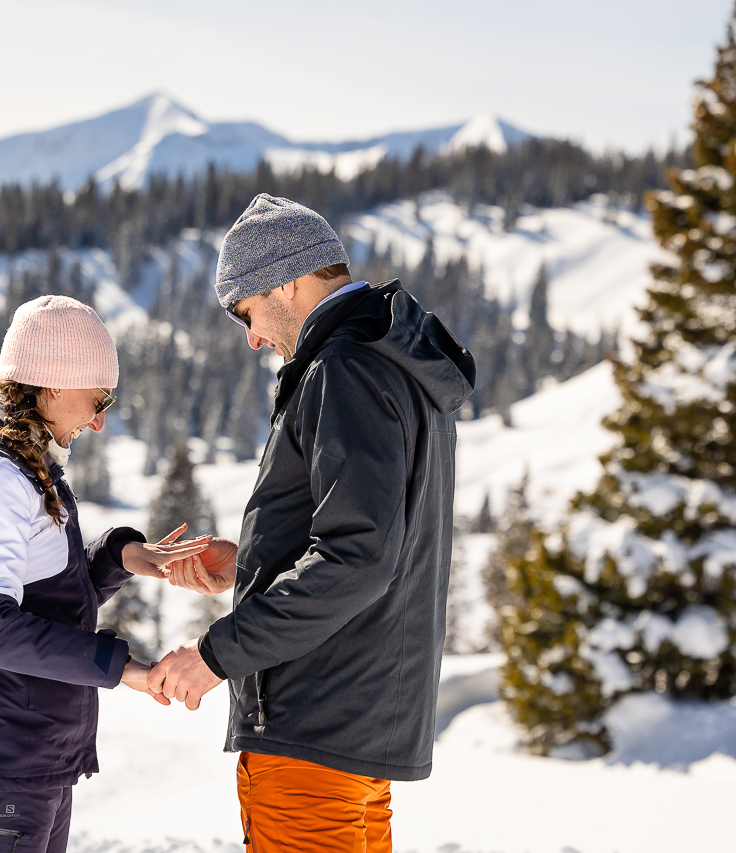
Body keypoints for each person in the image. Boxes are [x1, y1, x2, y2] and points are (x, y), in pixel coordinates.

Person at [148, 194, 476, 852]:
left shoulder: (344, 369)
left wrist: (216, 655)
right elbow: (384, 539)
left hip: (312, 725)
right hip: (359, 723)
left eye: (248, 311)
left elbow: (358, 556)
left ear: (288, 282)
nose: (252, 337)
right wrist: (253, 564)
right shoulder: (395, 363)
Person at [0, 294, 208, 853]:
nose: (100, 420)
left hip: (29, 760)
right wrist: (124, 668)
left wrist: (122, 556)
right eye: (98, 399)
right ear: (53, 384)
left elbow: (43, 601)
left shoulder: (26, 465)